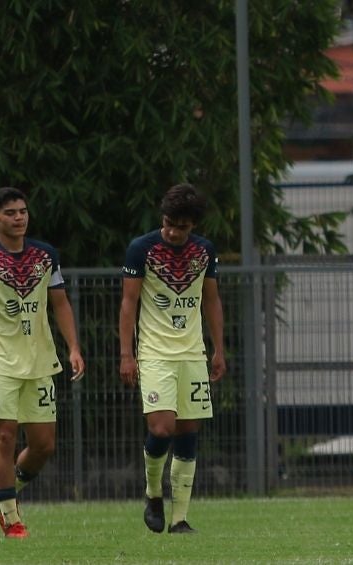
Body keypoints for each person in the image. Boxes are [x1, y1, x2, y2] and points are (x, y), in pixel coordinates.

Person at [0, 187, 86, 539]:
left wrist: (73, 347)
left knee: (43, 445)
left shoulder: (45, 256)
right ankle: (11, 519)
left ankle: (10, 493)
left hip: (40, 362)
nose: (19, 217)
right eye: (10, 212)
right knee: (4, 437)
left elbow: (61, 304)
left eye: (22, 211)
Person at [119, 183, 226, 534]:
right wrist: (127, 354)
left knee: (188, 432)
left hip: (192, 353)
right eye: (168, 223)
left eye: (181, 226)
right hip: (154, 354)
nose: (172, 231)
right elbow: (129, 304)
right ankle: (152, 494)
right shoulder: (141, 249)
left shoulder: (205, 252)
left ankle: (179, 518)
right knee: (161, 427)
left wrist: (218, 349)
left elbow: (211, 300)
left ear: (193, 225)